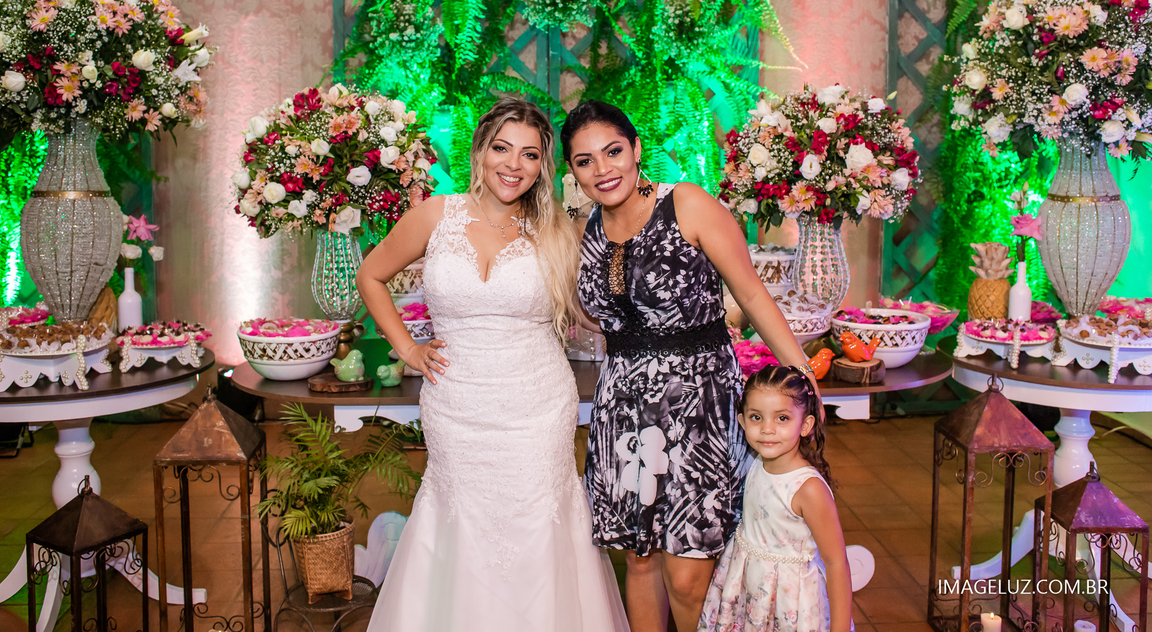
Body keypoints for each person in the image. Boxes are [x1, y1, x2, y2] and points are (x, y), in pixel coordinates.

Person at [356, 97, 629, 632]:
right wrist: (408, 348)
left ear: (543, 165)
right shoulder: (435, 215)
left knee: (536, 527)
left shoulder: (558, 230)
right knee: (459, 521)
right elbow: (371, 275)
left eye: (530, 154)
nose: (513, 165)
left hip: (536, 409)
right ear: (480, 151)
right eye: (502, 148)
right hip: (455, 406)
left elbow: (592, 311)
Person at [561, 100, 819, 632]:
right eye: (585, 161)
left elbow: (751, 293)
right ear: (572, 171)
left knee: (687, 575)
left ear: (636, 149)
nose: (603, 169)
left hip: (698, 405)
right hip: (623, 410)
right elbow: (594, 312)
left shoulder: (687, 204)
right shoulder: (584, 230)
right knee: (638, 560)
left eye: (613, 151)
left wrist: (802, 374)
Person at [698, 365, 852, 632]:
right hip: (750, 589)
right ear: (742, 421)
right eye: (756, 417)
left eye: (782, 418)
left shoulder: (808, 489)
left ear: (805, 425)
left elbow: (837, 562)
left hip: (791, 604)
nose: (767, 429)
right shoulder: (756, 462)